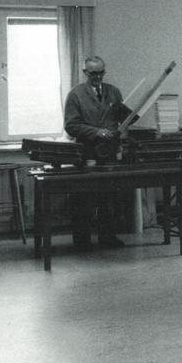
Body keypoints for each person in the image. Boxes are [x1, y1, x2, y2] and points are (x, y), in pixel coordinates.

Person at [63, 56, 131, 249]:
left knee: (109, 197)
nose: (98, 77)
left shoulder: (113, 92)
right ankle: (82, 241)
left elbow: (123, 119)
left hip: (109, 153)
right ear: (85, 73)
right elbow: (71, 126)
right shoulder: (76, 94)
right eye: (94, 73)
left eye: (101, 72)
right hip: (87, 152)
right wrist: (96, 131)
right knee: (85, 199)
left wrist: (129, 115)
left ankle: (108, 237)